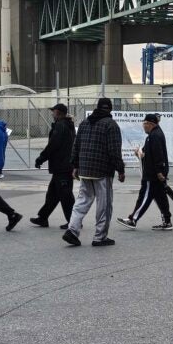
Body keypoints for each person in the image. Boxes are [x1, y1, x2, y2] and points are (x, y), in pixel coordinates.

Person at [62, 97, 125, 247]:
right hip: (102, 171)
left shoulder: (84, 123)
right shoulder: (111, 125)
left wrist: (75, 166)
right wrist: (120, 170)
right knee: (104, 204)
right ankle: (100, 237)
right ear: (110, 109)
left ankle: (72, 230)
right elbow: (114, 151)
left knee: (82, 201)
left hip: (84, 169)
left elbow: (76, 146)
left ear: (97, 107)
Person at [116, 113, 173, 231]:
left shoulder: (154, 136)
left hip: (152, 174)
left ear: (150, 124)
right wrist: (140, 154)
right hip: (154, 172)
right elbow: (150, 154)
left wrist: (159, 171)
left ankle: (133, 219)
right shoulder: (154, 134)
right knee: (160, 197)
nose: (143, 126)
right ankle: (167, 221)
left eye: (144, 123)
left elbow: (158, 155)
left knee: (145, 196)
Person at [30, 104, 76, 229]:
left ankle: (74, 221)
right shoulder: (67, 125)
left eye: (53, 111)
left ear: (58, 113)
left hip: (62, 166)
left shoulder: (61, 126)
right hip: (63, 166)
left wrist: (41, 158)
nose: (52, 114)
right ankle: (43, 218)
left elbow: (53, 145)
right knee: (53, 194)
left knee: (66, 195)